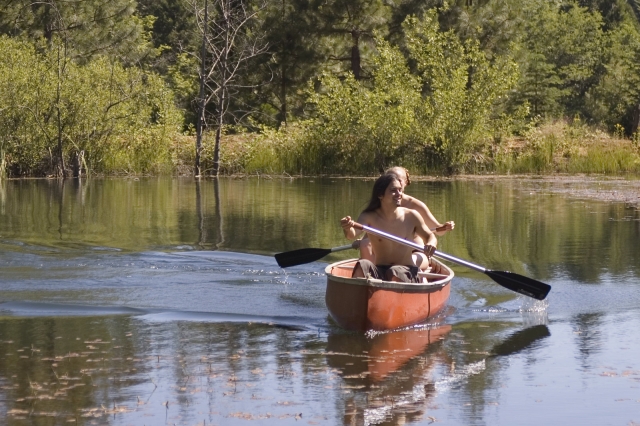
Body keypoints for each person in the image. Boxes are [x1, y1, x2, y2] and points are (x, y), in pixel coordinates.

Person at [340, 172, 437, 283]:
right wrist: (347, 227)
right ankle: (359, 296)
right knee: (363, 264)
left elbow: (430, 236)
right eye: (393, 190)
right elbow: (351, 235)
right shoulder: (369, 217)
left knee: (394, 271)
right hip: (380, 270)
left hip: (407, 270)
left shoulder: (412, 216)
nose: (399, 193)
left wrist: (431, 243)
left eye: (400, 190)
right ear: (380, 195)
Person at [358, 167, 455, 269]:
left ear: (404, 183)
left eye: (398, 179)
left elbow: (437, 231)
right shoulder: (380, 204)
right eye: (390, 178)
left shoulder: (415, 207)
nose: (393, 181)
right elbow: (373, 229)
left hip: (412, 249)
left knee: (412, 250)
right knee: (365, 244)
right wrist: (361, 239)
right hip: (386, 252)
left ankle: (419, 278)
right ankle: (370, 276)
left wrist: (443, 227)